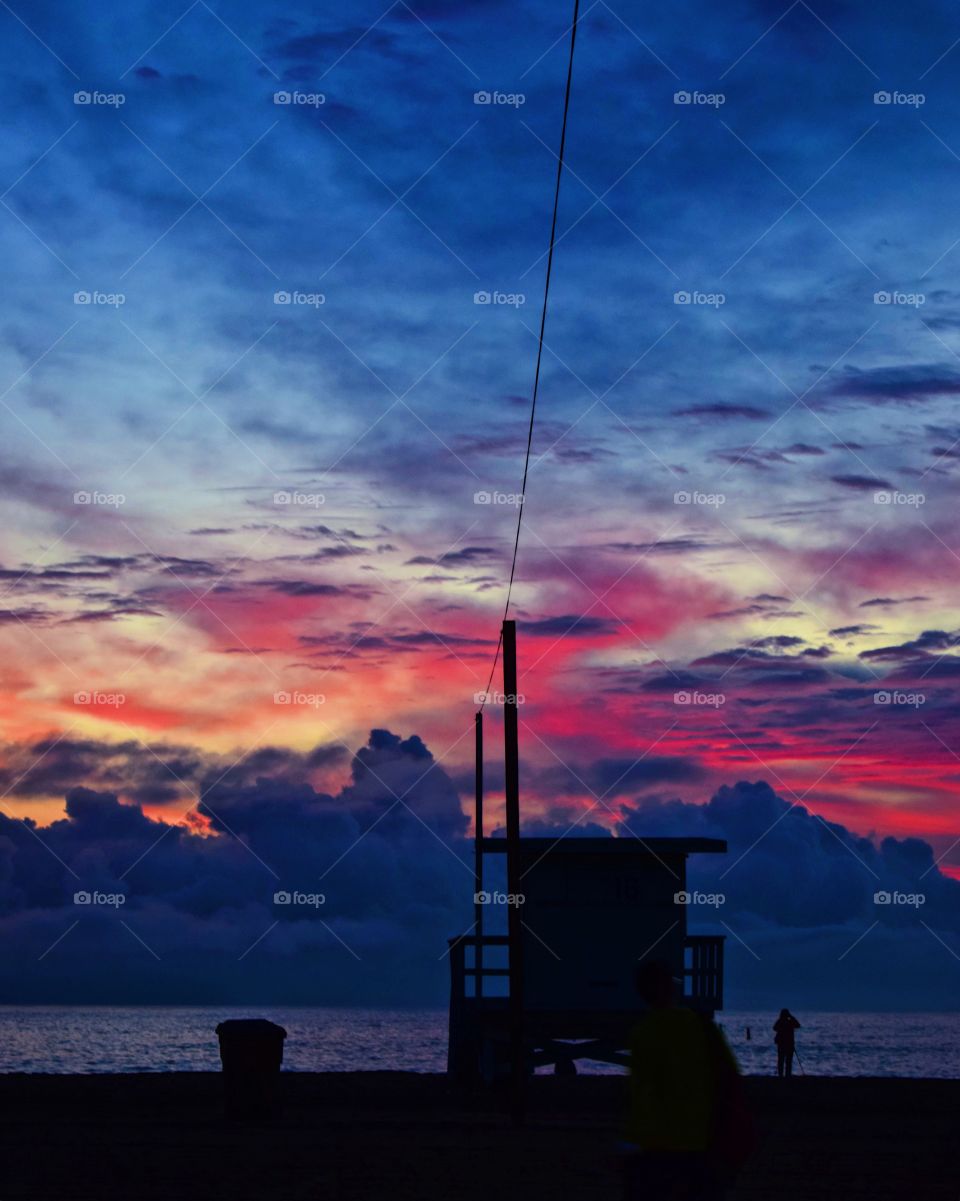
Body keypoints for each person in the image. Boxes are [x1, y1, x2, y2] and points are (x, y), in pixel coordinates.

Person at [623, 959, 751, 1200]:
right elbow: (731, 1075)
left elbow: (640, 1097)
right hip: (702, 1143)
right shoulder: (702, 1026)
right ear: (672, 988)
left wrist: (631, 1143)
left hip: (657, 1148)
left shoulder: (643, 1033)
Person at [773, 1008, 801, 1077]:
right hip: (787, 1044)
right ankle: (786, 1075)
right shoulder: (789, 1022)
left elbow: (798, 1025)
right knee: (786, 1061)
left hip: (785, 1044)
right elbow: (797, 1025)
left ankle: (783, 1075)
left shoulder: (783, 1022)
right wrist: (791, 1017)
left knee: (782, 1061)